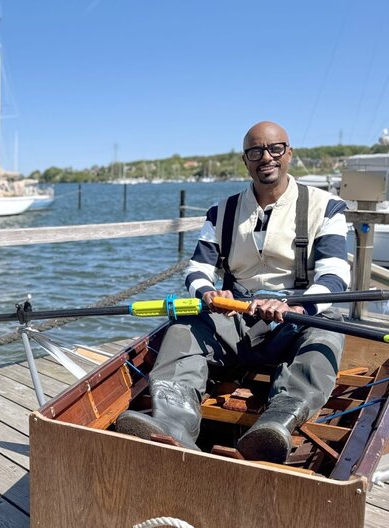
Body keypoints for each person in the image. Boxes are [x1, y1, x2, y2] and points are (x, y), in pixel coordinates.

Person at [115, 121, 351, 463]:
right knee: (183, 327)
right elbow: (198, 269)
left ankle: (276, 425)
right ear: (246, 160)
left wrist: (296, 306)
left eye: (275, 149)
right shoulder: (221, 212)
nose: (266, 157)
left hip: (295, 318)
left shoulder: (326, 207)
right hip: (236, 316)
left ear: (289, 153)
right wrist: (208, 293)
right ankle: (173, 424)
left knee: (327, 331)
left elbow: (334, 274)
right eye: (255, 152)